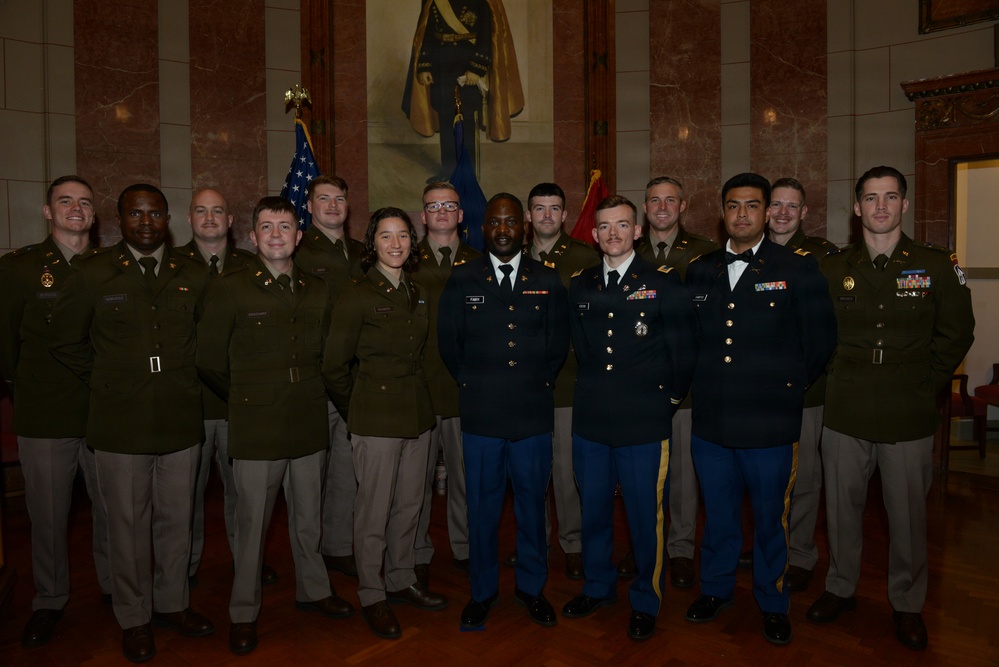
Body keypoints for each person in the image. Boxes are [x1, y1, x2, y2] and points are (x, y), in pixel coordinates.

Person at [806, 166, 975, 651]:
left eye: (891, 197)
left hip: (908, 408)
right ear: (856, 207)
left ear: (904, 205)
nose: (881, 206)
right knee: (840, 511)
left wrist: (927, 383)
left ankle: (906, 603)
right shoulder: (832, 268)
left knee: (906, 517)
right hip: (846, 405)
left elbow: (957, 332)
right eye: (871, 198)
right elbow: (816, 332)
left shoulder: (937, 264)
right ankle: (841, 588)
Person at [50, 184, 214, 663]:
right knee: (125, 525)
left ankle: (172, 604)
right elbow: (64, 340)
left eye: (156, 213)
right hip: (120, 420)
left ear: (168, 218)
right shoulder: (93, 272)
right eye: (135, 213)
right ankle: (134, 616)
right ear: (118, 219)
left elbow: (205, 338)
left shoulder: (193, 272)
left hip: (181, 415)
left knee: (177, 521)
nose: (146, 222)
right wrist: (109, 378)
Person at [683, 172, 836, 646]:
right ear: (722, 212)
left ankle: (772, 601)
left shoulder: (798, 268)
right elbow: (691, 342)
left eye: (752, 206)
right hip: (712, 419)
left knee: (771, 518)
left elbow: (819, 341)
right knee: (720, 514)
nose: (742, 214)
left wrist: (785, 389)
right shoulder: (700, 270)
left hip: (770, 419)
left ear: (768, 212)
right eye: (733, 205)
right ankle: (716, 589)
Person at [196, 197, 353, 655]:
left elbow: (326, 353)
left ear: (298, 235)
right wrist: (247, 398)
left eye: (285, 226)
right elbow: (208, 360)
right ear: (252, 236)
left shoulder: (317, 289)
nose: (277, 235)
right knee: (251, 525)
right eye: (267, 227)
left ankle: (315, 591)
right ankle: (243, 611)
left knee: (308, 518)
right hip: (256, 422)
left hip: (307, 416)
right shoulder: (230, 287)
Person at [562, 195, 696, 641]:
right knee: (594, 510)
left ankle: (645, 598)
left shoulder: (664, 281)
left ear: (637, 231)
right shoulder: (580, 285)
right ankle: (598, 586)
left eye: (622, 225)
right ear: (594, 234)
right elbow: (581, 348)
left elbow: (683, 352)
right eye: (605, 227)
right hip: (593, 419)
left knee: (644, 516)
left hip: (644, 419)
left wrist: (667, 401)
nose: (613, 234)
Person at [438, 193, 568, 630]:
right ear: (483, 228)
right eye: (495, 222)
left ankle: (533, 589)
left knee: (533, 507)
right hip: (482, 414)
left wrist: (533, 383)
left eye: (511, 221)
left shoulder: (547, 279)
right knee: (482, 508)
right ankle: (483, 592)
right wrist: (479, 384)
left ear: (524, 226)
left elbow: (556, 346)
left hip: (532, 412)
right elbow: (450, 345)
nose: (503, 229)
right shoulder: (462, 279)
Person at [323, 207, 446, 640]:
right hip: (374, 418)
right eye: (386, 237)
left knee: (410, 505)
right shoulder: (356, 293)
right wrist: (357, 410)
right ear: (371, 243)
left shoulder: (418, 290)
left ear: (413, 243)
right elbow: (334, 366)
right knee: (372, 512)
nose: (395, 245)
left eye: (403, 237)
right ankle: (372, 593)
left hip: (417, 415)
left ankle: (400, 577)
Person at [0, 175, 111, 648]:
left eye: (85, 202)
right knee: (47, 515)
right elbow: (4, 346)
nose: (76, 209)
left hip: (106, 411)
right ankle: (49, 599)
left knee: (114, 511)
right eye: (65, 201)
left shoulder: (113, 268)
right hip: (46, 412)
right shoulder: (20, 268)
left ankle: (115, 588)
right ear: (48, 211)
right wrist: (24, 390)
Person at [175, 188, 275, 589]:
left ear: (232, 221)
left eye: (218, 210)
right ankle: (186, 565)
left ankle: (245, 562)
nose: (210, 217)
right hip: (190, 400)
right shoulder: (171, 265)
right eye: (201, 211)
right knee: (185, 498)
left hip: (239, 401)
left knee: (245, 494)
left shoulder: (252, 265)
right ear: (189, 219)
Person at [743, 177, 837, 590]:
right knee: (760, 475)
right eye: (775, 204)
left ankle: (798, 552)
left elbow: (823, 330)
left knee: (804, 477)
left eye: (791, 206)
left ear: (804, 213)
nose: (782, 213)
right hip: (751, 394)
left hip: (802, 392)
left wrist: (800, 379)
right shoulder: (743, 252)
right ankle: (767, 544)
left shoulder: (821, 257)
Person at [624, 176, 717, 587]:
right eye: (654, 201)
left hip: (686, 385)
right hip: (639, 386)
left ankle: (680, 549)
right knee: (640, 473)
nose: (662, 207)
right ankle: (643, 544)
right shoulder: (627, 249)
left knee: (681, 475)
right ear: (645, 208)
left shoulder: (704, 255)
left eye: (670, 200)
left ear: (683, 206)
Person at [519, 182, 599, 579]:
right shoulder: (509, 258)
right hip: (523, 386)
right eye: (539, 208)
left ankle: (573, 543)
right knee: (529, 472)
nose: (547, 215)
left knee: (567, 473)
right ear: (528, 216)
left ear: (566, 215)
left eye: (554, 208)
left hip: (568, 382)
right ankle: (535, 542)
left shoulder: (585, 258)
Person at [412, 182, 482, 583]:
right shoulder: (405, 258)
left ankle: (466, 546)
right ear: (422, 216)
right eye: (433, 206)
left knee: (465, 476)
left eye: (449, 206)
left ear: (460, 214)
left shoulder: (480, 260)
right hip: (419, 386)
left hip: (464, 389)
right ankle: (417, 549)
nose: (441, 212)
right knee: (415, 483)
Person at [296, 174, 364, 578]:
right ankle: (309, 555)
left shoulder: (361, 251)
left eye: (339, 198)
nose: (333, 206)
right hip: (316, 378)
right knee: (310, 475)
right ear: (309, 205)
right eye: (324, 199)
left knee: (345, 469)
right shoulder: (298, 250)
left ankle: (338, 546)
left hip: (357, 376)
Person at [402, 0, 524, 179]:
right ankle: (448, 171)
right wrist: (425, 66)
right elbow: (426, 33)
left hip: (466, 67)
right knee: (446, 122)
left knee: (466, 122)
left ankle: (468, 174)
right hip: (441, 68)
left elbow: (486, 35)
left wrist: (476, 68)